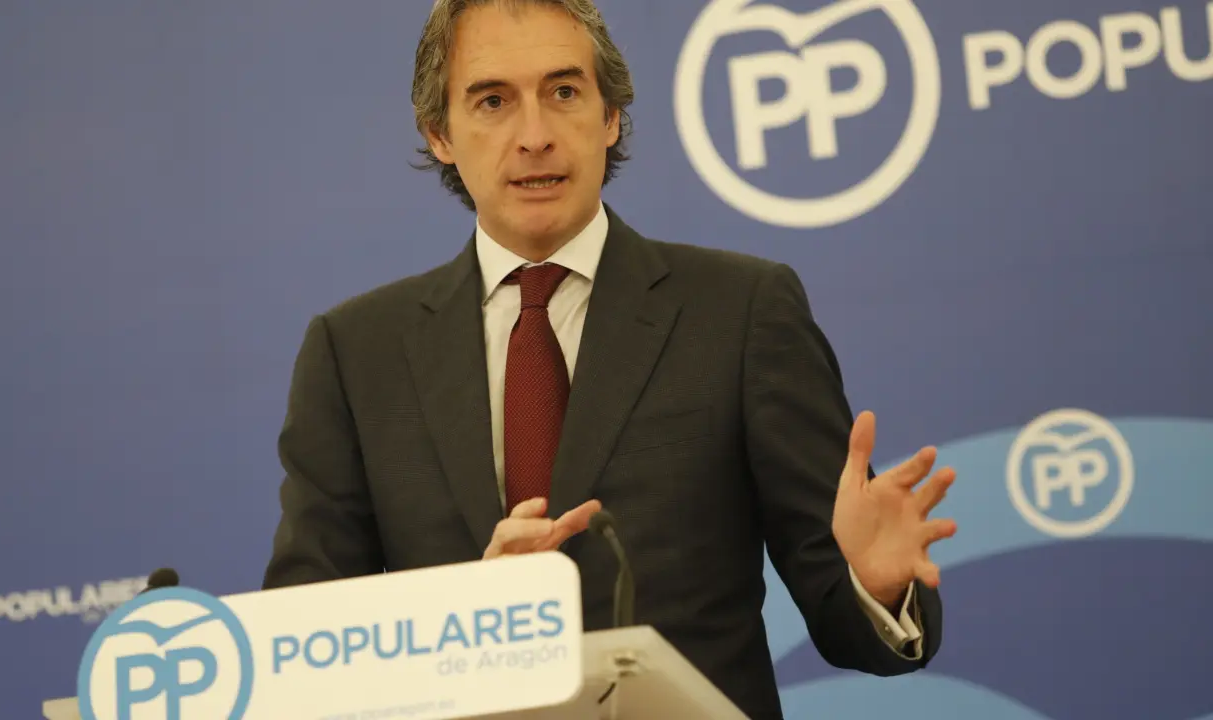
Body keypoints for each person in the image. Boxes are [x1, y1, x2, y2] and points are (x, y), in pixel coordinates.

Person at [261, 0, 957, 716]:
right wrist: (468, 618)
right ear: (439, 134)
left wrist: (876, 585)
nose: (535, 136)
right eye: (493, 101)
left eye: (564, 92)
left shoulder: (741, 312)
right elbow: (307, 649)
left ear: (611, 117)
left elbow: (846, 614)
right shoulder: (355, 354)